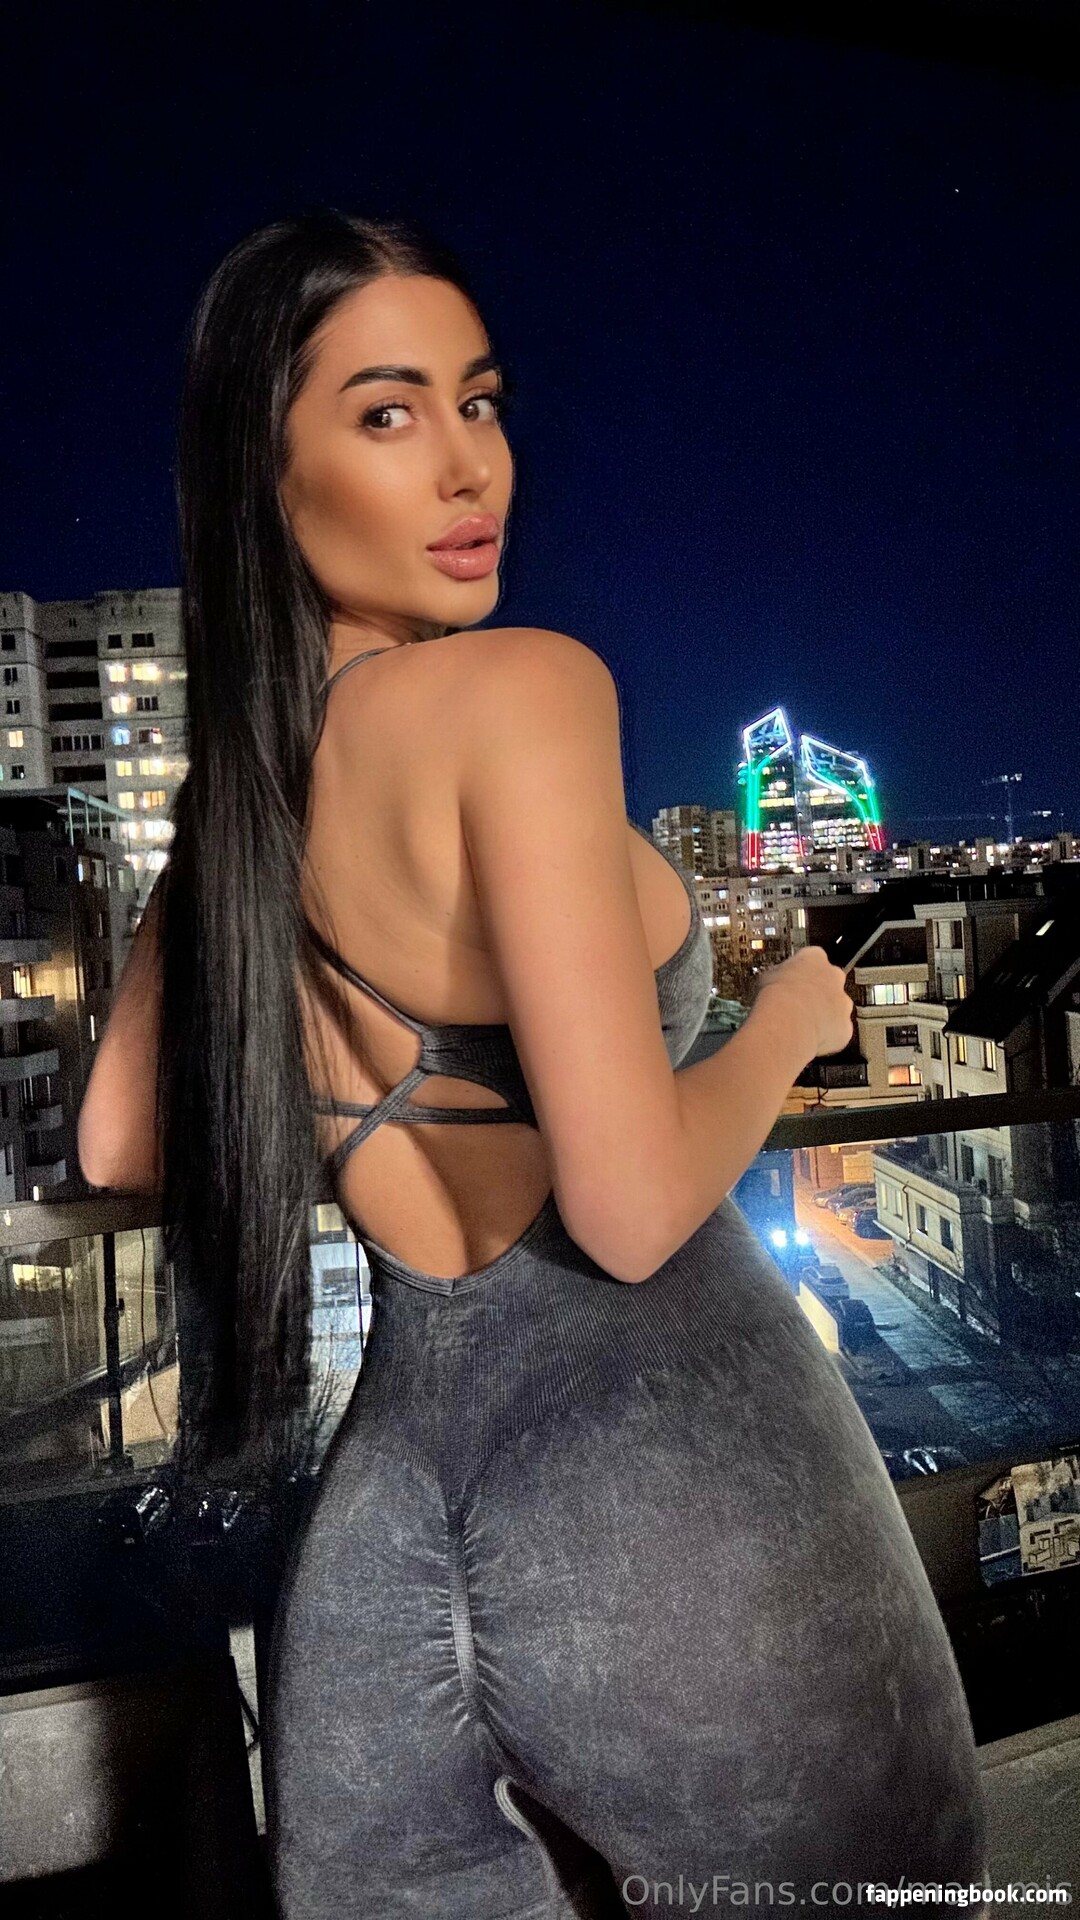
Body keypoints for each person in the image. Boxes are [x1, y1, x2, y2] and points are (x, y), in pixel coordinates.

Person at [77, 209, 987, 1918]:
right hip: (676, 1484)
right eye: (387, 411)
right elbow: (629, 1212)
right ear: (266, 471)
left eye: (479, 400)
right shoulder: (524, 692)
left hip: (389, 1508)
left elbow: (119, 1139)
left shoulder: (244, 793)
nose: (467, 463)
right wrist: (786, 1028)